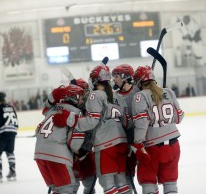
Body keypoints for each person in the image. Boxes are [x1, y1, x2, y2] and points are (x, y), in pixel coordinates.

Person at [53, 65, 131, 194]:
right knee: (121, 182)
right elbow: (126, 122)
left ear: (94, 80)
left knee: (108, 184)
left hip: (106, 145)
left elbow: (91, 122)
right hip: (121, 143)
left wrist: (70, 119)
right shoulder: (117, 95)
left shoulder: (95, 95)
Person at [131, 66, 184, 194]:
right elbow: (179, 117)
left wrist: (138, 143)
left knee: (148, 181)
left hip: (153, 147)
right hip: (173, 146)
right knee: (170, 182)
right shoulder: (169, 92)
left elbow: (142, 122)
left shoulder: (140, 96)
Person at [34, 84, 86, 194]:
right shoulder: (76, 113)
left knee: (58, 189)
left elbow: (38, 129)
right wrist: (80, 152)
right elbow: (74, 143)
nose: (82, 101)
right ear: (73, 98)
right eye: (80, 98)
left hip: (39, 154)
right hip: (57, 156)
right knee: (69, 188)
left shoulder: (52, 109)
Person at [112, 64, 140, 192]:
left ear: (126, 77)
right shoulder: (114, 96)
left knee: (147, 176)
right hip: (123, 143)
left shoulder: (138, 92)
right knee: (126, 176)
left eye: (117, 76)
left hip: (140, 142)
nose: (114, 79)